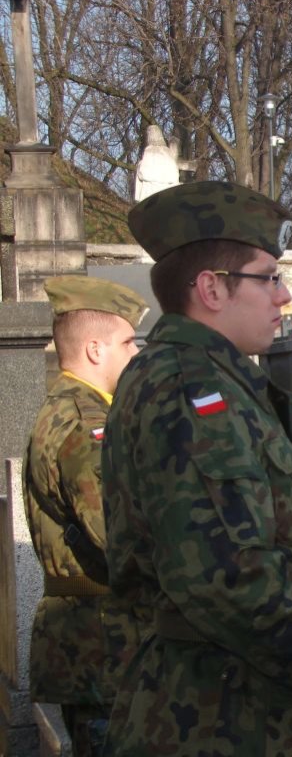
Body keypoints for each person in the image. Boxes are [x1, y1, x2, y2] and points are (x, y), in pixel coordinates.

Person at [101, 181, 292, 755]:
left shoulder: (214, 380)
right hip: (224, 714)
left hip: (240, 698)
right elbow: (229, 575)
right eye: (269, 278)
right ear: (211, 288)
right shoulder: (189, 387)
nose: (284, 297)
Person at [23, 275, 148, 756]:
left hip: (98, 640)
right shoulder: (84, 422)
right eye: (128, 342)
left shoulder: (78, 411)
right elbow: (117, 532)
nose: (136, 354)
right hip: (104, 644)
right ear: (95, 349)